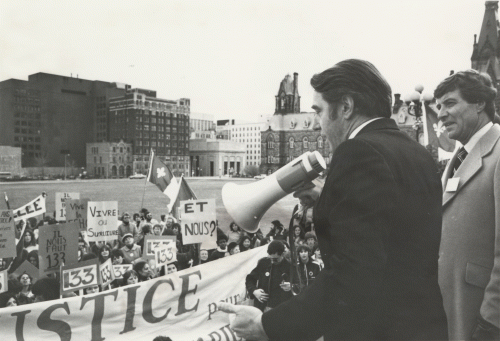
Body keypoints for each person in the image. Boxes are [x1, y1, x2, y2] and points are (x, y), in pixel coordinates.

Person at [220, 59, 447, 340]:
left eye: (319, 111)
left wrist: (268, 326)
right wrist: (326, 199)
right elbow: (390, 230)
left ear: (346, 107)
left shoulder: (357, 151)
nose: (318, 125)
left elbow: (352, 275)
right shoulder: (417, 153)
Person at [435, 69, 500, 340]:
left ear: (480, 103)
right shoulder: (458, 156)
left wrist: (491, 320)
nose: (440, 114)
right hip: (454, 312)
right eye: (438, 107)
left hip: (481, 319)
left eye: (450, 103)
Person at [245, 240, 293, 313]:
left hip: (280, 308)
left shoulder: (289, 266)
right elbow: (250, 279)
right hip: (261, 307)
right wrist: (254, 291)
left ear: (282, 254)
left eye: (275, 259)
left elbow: (300, 286)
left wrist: (291, 286)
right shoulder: (263, 262)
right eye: (270, 259)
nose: (272, 262)